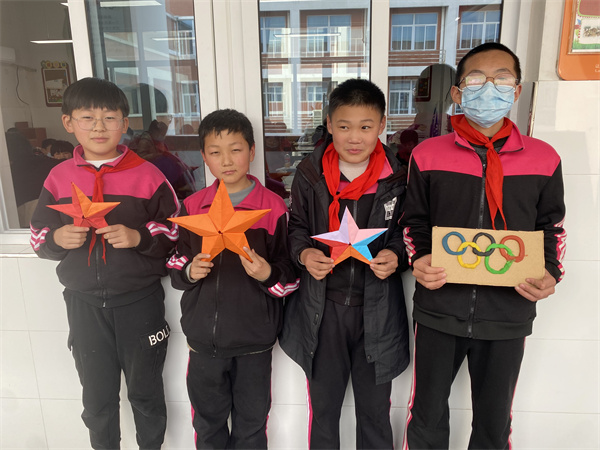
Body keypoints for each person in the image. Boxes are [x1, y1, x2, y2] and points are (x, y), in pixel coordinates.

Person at [400, 43, 566, 449]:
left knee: (494, 424)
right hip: (439, 309)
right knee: (426, 418)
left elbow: (552, 227)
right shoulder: (426, 155)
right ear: (458, 92)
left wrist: (550, 272)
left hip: (508, 311)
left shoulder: (544, 158)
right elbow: (414, 222)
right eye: (476, 79)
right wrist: (420, 258)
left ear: (517, 90)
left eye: (501, 79)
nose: (489, 88)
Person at [29, 77, 180, 450]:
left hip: (139, 301)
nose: (99, 127)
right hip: (84, 305)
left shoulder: (148, 174)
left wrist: (139, 237)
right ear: (69, 123)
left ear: (124, 123)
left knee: (146, 394)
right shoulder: (58, 177)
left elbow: (177, 232)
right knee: (96, 400)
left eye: (109, 118)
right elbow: (38, 235)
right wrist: (56, 239)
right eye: (87, 118)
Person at [279, 78, 410, 449]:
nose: (355, 137)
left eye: (365, 127)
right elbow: (297, 226)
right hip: (323, 311)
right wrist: (305, 255)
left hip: (378, 311)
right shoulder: (310, 175)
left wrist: (395, 255)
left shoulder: (399, 178)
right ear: (329, 124)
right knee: (324, 411)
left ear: (381, 125)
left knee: (375, 412)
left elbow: (409, 230)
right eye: (344, 126)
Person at [168, 109, 299, 449]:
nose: (226, 160)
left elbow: (292, 275)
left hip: (255, 342)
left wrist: (268, 274)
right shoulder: (192, 207)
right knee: (207, 424)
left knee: (251, 426)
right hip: (203, 342)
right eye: (215, 152)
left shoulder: (273, 208)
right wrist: (189, 270)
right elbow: (175, 263)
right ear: (204, 156)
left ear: (252, 151)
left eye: (236, 149)